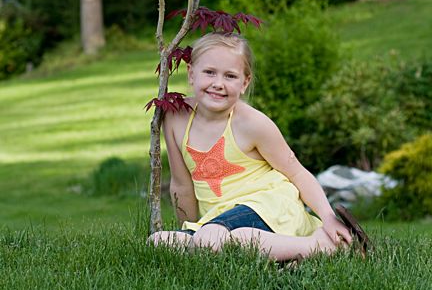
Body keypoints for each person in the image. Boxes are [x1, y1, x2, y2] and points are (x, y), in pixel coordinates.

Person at [149, 32, 354, 261]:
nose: (218, 84)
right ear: (191, 74)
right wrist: (189, 232)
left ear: (244, 83)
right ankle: (280, 257)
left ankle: (318, 246)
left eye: (230, 76)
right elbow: (182, 185)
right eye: (209, 72)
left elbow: (297, 173)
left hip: (268, 205)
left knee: (216, 238)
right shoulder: (176, 119)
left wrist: (328, 216)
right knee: (160, 241)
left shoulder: (252, 123)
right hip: (218, 220)